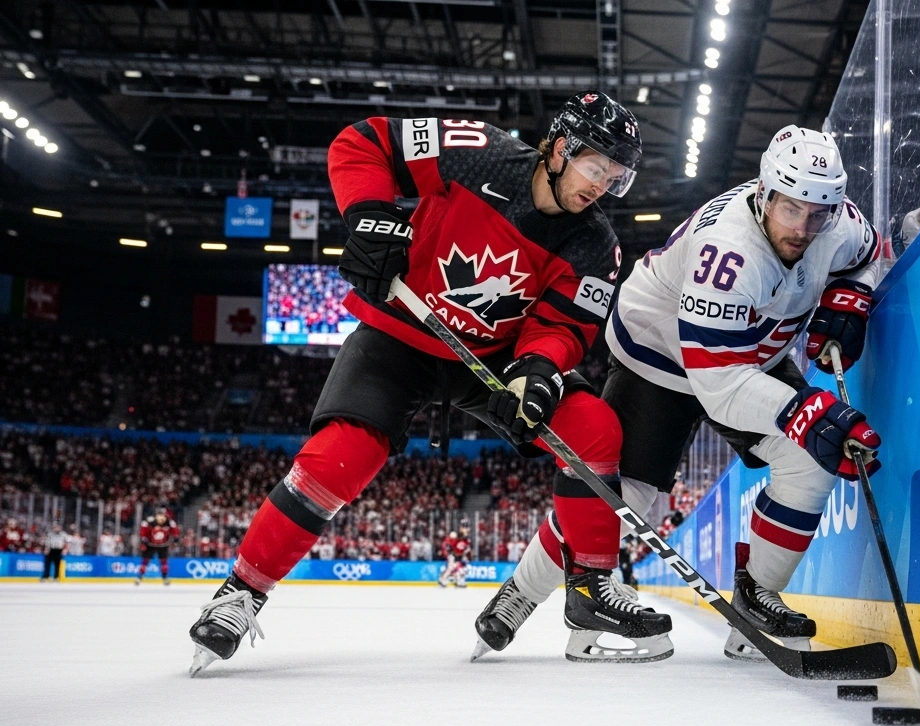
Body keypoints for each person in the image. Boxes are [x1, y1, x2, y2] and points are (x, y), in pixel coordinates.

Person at [187, 92, 672, 675]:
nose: (603, 187)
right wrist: (369, 213)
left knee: (593, 428)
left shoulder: (597, 245)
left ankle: (590, 588)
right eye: (598, 168)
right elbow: (364, 141)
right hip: (400, 337)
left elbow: (563, 325)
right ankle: (240, 592)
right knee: (342, 457)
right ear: (563, 148)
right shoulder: (477, 153)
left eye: (616, 179)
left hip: (488, 365)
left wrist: (539, 369)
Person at [505, 125, 884, 660]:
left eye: (816, 213)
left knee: (808, 460)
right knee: (626, 498)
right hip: (659, 354)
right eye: (790, 210)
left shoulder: (837, 223)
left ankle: (757, 597)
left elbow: (874, 252)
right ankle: (520, 595)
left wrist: (854, 292)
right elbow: (722, 389)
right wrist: (805, 411)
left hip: (747, 354)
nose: (803, 228)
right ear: (764, 194)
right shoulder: (727, 253)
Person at [136, 511, 180, 586]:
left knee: (164, 561)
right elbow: (143, 531)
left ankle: (165, 577)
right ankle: (139, 577)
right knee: (145, 560)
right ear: (156, 516)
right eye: (159, 516)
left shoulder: (169, 522)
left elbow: (175, 531)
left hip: (163, 545)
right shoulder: (149, 522)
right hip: (150, 544)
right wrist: (143, 541)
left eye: (163, 516)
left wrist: (176, 539)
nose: (161, 518)